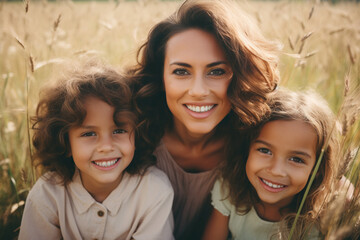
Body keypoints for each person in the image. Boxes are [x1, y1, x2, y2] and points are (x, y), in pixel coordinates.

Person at [128, 0, 280, 238]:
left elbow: (326, 181)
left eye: (217, 71)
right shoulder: (129, 130)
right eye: (181, 71)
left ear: (241, 75)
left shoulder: (259, 136)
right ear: (161, 76)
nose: (198, 90)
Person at [18, 60, 174, 240]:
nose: (106, 147)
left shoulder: (154, 192)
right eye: (89, 134)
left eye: (119, 131)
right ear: (66, 142)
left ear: (137, 135)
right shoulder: (48, 194)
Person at [202, 88, 338, 240]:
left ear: (317, 168)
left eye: (296, 159)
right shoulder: (230, 189)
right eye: (265, 151)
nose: (276, 170)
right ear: (248, 148)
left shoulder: (318, 221)